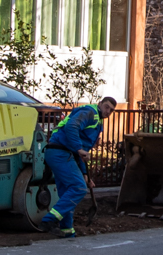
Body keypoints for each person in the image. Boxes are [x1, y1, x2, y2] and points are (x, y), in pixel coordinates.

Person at [41, 95, 116, 237]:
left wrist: (85, 174)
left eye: (111, 110)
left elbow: (82, 153)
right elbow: (72, 126)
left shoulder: (97, 121)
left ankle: (67, 231)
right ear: (100, 103)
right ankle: (49, 220)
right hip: (60, 152)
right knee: (79, 188)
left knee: (67, 194)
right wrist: (78, 148)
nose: (108, 111)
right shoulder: (90, 113)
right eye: (107, 107)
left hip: (60, 153)